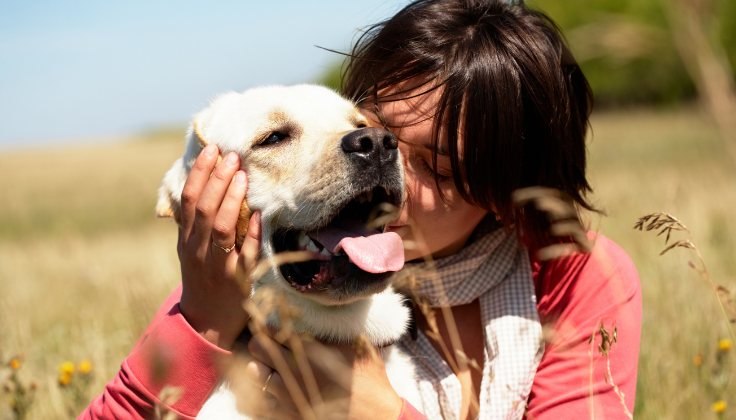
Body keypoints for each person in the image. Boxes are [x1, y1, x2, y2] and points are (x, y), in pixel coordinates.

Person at [81, 1, 641, 419]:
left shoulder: (572, 276)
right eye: (369, 135)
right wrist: (204, 316)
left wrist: (378, 408)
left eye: (441, 171)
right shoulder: (246, 277)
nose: (383, 174)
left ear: (507, 194)